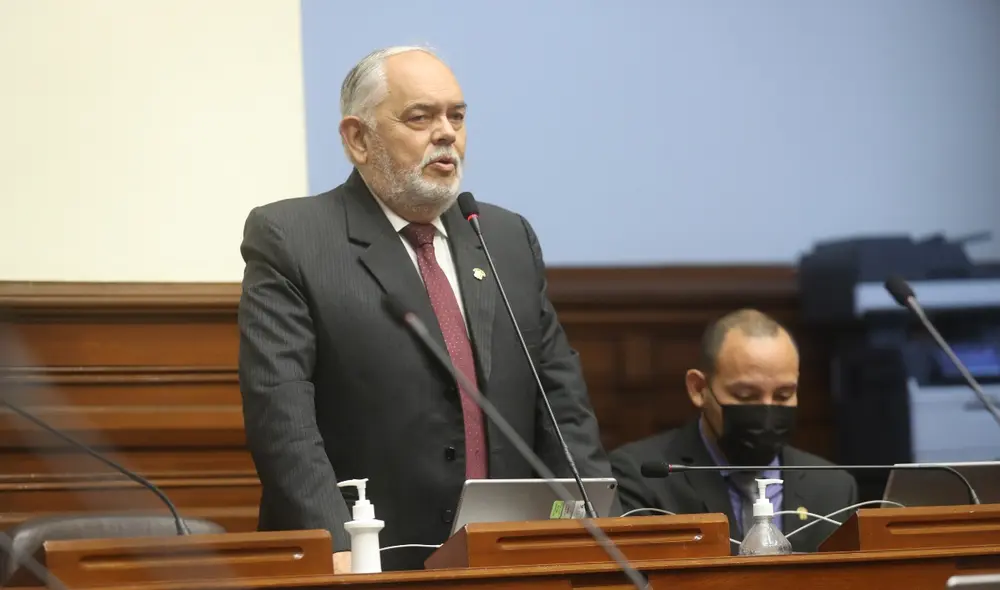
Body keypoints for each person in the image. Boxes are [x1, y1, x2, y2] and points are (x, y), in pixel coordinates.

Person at [237, 46, 614, 573]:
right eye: (421, 117)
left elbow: (561, 400)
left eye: (456, 117)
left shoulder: (503, 237)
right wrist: (334, 547)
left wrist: (591, 525)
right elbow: (281, 414)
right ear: (358, 138)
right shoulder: (293, 238)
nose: (447, 134)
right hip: (368, 557)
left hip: (507, 561)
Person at [609, 309, 857, 553]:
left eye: (783, 395)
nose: (767, 412)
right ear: (699, 389)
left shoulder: (833, 488)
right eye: (746, 396)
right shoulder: (643, 478)